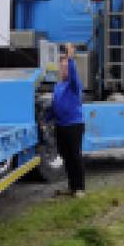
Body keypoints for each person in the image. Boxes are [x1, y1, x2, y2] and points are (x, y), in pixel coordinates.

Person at [48, 42, 86, 197]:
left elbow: (74, 74)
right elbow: (55, 105)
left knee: (75, 155)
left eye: (66, 66)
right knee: (66, 156)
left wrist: (70, 58)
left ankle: (80, 188)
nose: (64, 69)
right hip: (60, 125)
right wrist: (46, 118)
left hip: (74, 125)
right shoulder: (58, 86)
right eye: (62, 66)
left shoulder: (74, 85)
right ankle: (72, 186)